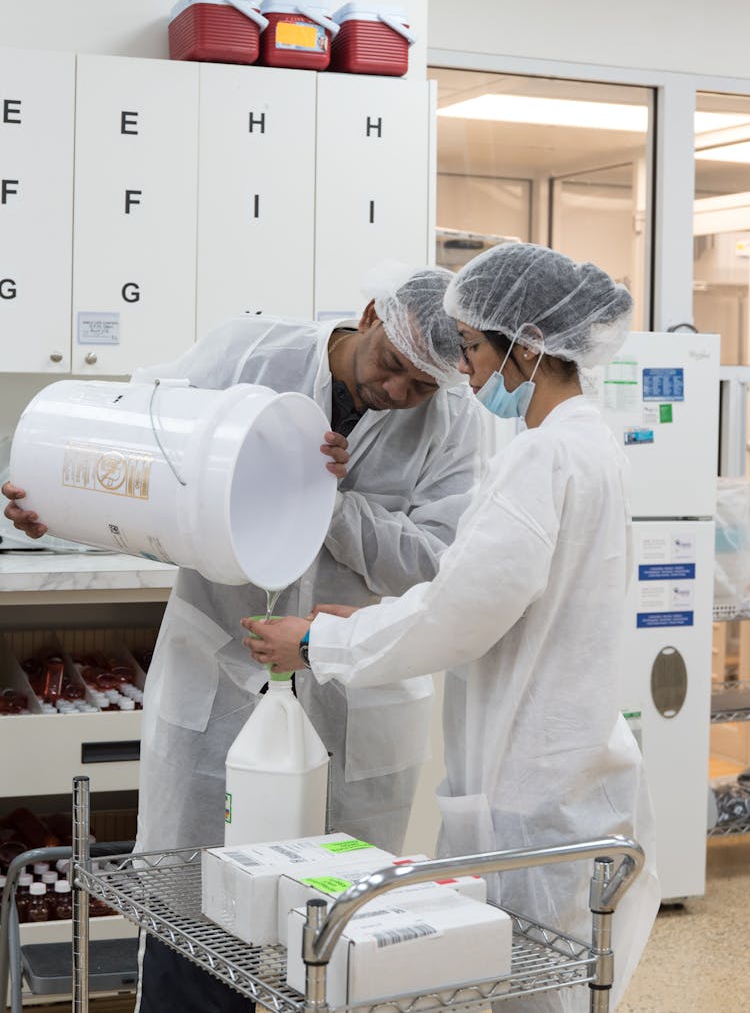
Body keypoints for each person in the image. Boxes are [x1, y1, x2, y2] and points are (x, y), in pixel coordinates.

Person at [3, 262, 484, 1013]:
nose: (397, 393)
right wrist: (52, 506)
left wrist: (325, 504)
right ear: (369, 317)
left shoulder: (454, 423)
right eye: (392, 365)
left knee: (335, 931)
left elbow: (435, 563)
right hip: (220, 685)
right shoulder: (246, 356)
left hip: (350, 702)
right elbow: (135, 455)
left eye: (420, 386)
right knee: (190, 914)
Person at [245, 243, 661, 1013]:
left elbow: (459, 614)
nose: (461, 370)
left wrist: (316, 643)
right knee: (557, 984)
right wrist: (373, 617)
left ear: (528, 346)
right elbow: (487, 598)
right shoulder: (590, 445)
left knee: (524, 990)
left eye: (470, 347)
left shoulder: (541, 458)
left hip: (528, 791)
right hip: (567, 770)